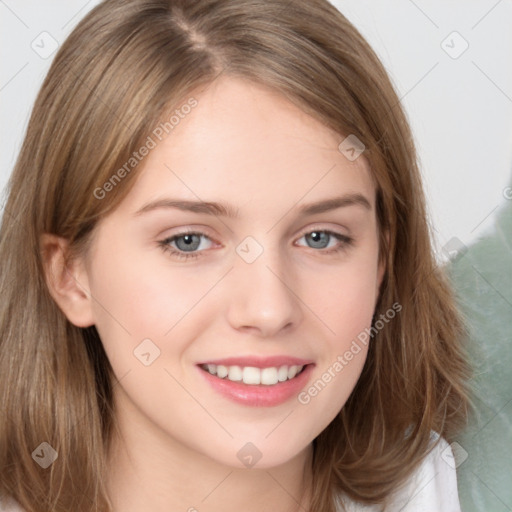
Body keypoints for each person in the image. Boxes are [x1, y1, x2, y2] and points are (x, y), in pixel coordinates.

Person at [0, 0, 472, 511]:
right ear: (70, 275)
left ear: (383, 258)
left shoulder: (459, 490)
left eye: (320, 237)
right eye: (189, 241)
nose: (269, 310)